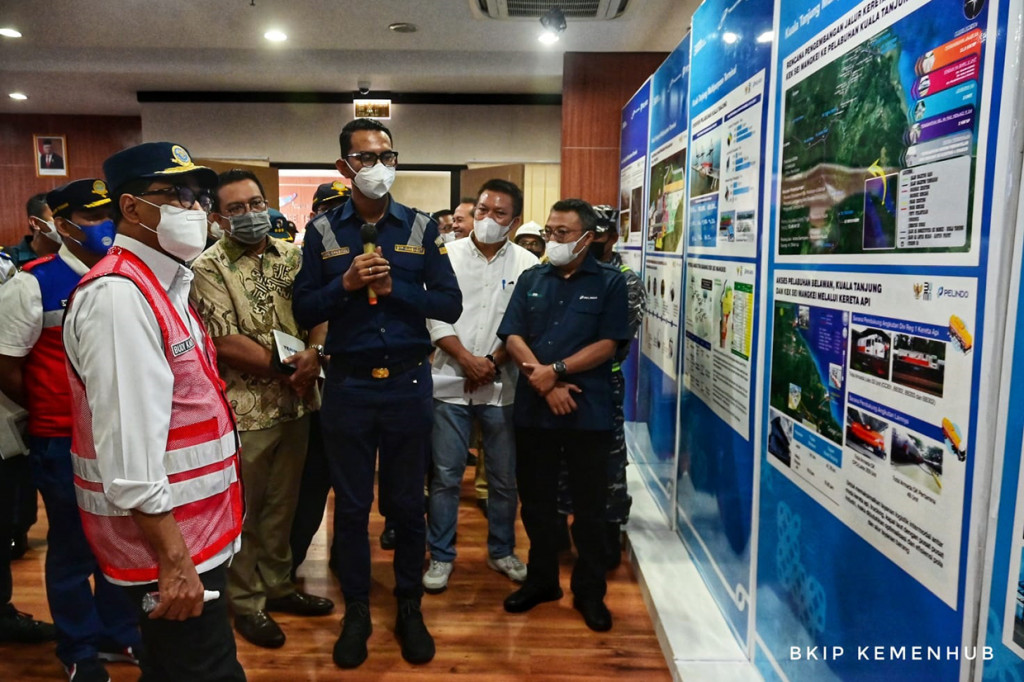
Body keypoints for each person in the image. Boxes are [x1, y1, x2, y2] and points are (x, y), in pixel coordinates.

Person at [63, 141, 246, 682]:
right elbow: (128, 455)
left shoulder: (166, 285)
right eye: (179, 194)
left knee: (176, 669)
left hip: (196, 536)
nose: (197, 208)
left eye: (200, 196)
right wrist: (173, 563)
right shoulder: (120, 297)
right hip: (168, 550)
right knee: (205, 672)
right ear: (132, 207)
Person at [294, 118, 461, 669]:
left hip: (410, 381)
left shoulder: (420, 227)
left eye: (386, 155)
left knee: (407, 503)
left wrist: (397, 289)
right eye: (365, 158)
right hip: (347, 384)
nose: (378, 166)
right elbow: (303, 310)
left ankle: (409, 605)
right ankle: (358, 610)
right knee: (352, 507)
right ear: (345, 167)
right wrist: (344, 286)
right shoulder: (320, 233)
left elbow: (449, 304)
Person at [0, 178, 141, 682]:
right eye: (91, 216)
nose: (105, 225)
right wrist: (50, 411)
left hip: (121, 437)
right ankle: (78, 647)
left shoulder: (123, 274)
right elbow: (9, 367)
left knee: (120, 541)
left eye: (109, 215)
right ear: (61, 225)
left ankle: (115, 633)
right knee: (73, 546)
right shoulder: (32, 283)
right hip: (62, 440)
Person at [192, 169, 333, 649]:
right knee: (248, 513)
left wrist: (314, 357)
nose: (251, 215)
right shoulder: (207, 268)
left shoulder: (293, 255)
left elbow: (320, 313)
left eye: (256, 203)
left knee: (284, 506)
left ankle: (279, 586)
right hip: (246, 409)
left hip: (296, 404)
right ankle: (248, 601)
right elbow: (225, 340)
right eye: (237, 209)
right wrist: (292, 370)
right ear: (217, 217)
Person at [497, 198, 629, 632]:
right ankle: (542, 582)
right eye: (549, 231)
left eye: (561, 233)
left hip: (585, 410)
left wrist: (554, 373)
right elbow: (512, 333)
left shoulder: (610, 283)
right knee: (535, 504)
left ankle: (589, 592)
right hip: (536, 410)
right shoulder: (532, 277)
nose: (550, 239)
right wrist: (543, 380)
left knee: (590, 510)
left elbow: (609, 344)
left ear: (588, 238)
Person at [422, 179, 537, 594]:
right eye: (483, 210)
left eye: (499, 213)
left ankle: (502, 549)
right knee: (447, 476)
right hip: (448, 380)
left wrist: (491, 362)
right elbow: (434, 315)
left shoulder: (527, 264)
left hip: (502, 385)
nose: (488, 219)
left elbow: (524, 323)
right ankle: (441, 555)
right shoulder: (445, 256)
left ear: (516, 220)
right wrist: (468, 359)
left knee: (504, 479)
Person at [555, 205, 645, 568]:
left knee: (608, 461)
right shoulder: (559, 272)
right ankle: (558, 528)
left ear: (612, 237)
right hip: (556, 380)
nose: (594, 243)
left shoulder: (625, 279)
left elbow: (617, 342)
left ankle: (607, 535)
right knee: (558, 458)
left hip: (602, 382)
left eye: (602, 236)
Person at [7, 193, 62, 268]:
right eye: (55, 217)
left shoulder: (77, 257)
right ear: (35, 223)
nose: (63, 223)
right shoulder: (7, 261)